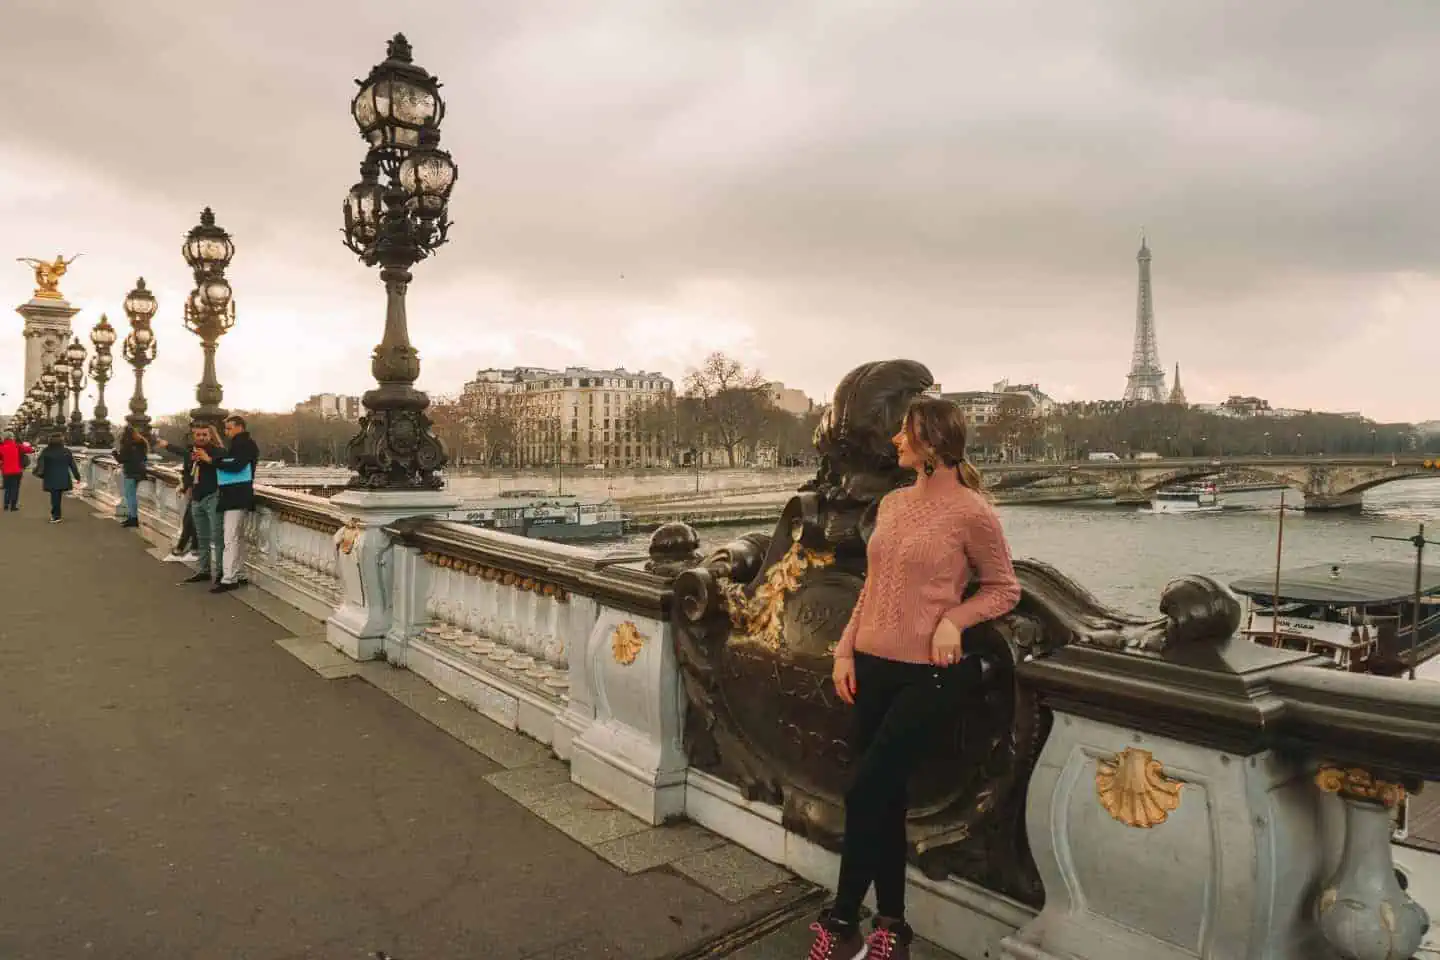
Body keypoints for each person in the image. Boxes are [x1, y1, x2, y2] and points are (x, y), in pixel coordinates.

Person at [808, 397, 1020, 960]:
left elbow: (1004, 588)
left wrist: (954, 619)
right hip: (872, 666)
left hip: (927, 675)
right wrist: (845, 651)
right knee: (886, 801)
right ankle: (892, 931)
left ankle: (843, 921)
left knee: (863, 792)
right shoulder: (894, 504)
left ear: (931, 440)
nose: (895, 440)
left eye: (905, 431)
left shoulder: (973, 512)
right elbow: (872, 587)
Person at [196, 415, 258, 594]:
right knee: (236, 537)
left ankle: (229, 578)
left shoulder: (243, 444)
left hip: (235, 495)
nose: (226, 432)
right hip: (239, 494)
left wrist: (211, 461)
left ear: (239, 427)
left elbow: (236, 465)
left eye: (229, 428)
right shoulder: (244, 444)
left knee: (230, 538)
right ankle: (238, 573)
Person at [154, 425, 207, 563]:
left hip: (204, 492)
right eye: (197, 435)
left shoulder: (207, 453)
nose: (200, 437)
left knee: (191, 521)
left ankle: (183, 551)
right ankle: (188, 550)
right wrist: (185, 486)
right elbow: (185, 459)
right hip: (195, 491)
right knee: (191, 521)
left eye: (203, 435)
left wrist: (187, 486)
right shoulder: (192, 452)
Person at [34, 433, 82, 524]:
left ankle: (56, 516)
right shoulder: (66, 451)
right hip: (63, 477)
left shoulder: (46, 451)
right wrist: (77, 476)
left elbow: (40, 463)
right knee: (57, 496)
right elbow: (73, 465)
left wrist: (40, 474)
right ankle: (57, 514)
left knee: (55, 497)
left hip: (51, 477)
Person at [112, 426, 150, 528]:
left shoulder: (127, 445)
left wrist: (114, 453)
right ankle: (132, 517)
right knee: (132, 496)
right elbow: (144, 458)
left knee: (130, 496)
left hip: (130, 472)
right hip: (140, 472)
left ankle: (133, 519)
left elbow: (121, 459)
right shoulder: (142, 443)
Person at [0, 431, 34, 510]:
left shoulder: (1, 447)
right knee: (15, 488)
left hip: (6, 471)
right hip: (17, 471)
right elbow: (29, 449)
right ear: (12, 437)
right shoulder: (17, 446)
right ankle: (13, 506)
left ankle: (6, 505)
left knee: (7, 488)